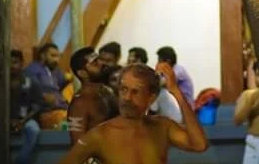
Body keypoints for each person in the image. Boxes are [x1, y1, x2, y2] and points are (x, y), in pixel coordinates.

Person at [54, 62, 208, 163]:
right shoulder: (100, 135)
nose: (127, 98)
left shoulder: (162, 127)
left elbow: (199, 145)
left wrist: (176, 92)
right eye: (124, 89)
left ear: (151, 97)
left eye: (136, 92)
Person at [67, 47, 118, 145]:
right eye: (95, 62)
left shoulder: (108, 91)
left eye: (100, 59)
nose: (102, 63)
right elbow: (77, 145)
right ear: (82, 73)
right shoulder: (80, 102)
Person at [127, 45, 183, 123]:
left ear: (168, 61)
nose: (157, 63)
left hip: (183, 111)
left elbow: (158, 83)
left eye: (159, 60)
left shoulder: (178, 70)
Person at [235, 61, 259, 164]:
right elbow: (237, 121)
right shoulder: (247, 95)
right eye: (258, 75)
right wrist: (250, 102)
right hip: (253, 144)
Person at [24, 42, 70, 129]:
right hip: (46, 112)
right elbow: (29, 91)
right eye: (53, 56)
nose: (56, 60)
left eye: (58, 56)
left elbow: (63, 85)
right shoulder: (33, 70)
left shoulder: (56, 72)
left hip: (62, 109)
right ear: (43, 56)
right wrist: (43, 96)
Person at [10, 49, 43, 164]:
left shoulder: (32, 82)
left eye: (15, 62)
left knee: (34, 130)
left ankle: (21, 160)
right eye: (9, 62)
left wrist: (22, 121)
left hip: (26, 119)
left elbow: (38, 106)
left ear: (21, 63)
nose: (11, 66)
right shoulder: (0, 83)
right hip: (3, 121)